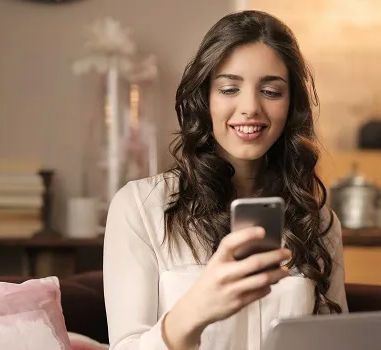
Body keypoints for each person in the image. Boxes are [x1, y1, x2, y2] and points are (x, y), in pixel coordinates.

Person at [102, 10, 347, 350]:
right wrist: (196, 308)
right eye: (230, 88)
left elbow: (334, 340)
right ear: (205, 99)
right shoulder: (140, 207)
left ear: (291, 105)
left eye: (271, 91)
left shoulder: (316, 219)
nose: (250, 107)